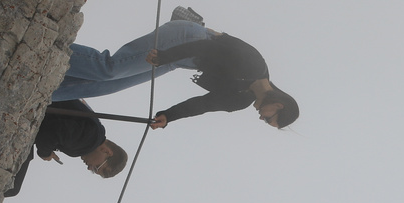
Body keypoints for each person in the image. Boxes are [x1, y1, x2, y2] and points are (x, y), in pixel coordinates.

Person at [52, 18, 297, 130]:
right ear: (278, 105)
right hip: (187, 39)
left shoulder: (241, 100)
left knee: (107, 86)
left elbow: (203, 105)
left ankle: (48, 91)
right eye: (268, 119)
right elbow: (207, 47)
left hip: (180, 60)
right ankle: (48, 45)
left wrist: (169, 116)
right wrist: (166, 56)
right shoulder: (254, 65)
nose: (261, 119)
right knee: (110, 69)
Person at [6, 100, 127, 197]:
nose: (89, 167)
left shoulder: (95, 130)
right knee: (12, 187)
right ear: (106, 151)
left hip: (38, 109)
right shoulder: (89, 140)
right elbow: (50, 132)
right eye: (96, 167)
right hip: (30, 111)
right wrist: (45, 153)